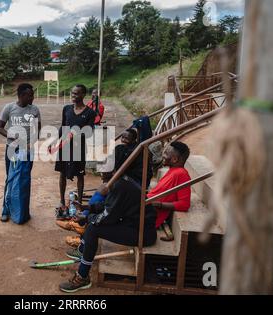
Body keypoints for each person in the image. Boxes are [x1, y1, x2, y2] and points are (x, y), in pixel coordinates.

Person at [58, 153, 157, 293]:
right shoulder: (119, 181)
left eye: (103, 169)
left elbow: (107, 217)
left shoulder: (120, 186)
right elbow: (108, 205)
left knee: (93, 228)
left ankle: (82, 277)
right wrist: (86, 208)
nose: (100, 173)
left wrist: (86, 218)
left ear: (114, 170)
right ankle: (82, 251)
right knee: (93, 223)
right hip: (133, 225)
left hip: (142, 233)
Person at [0, 83, 41, 224]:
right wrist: (12, 135)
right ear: (21, 95)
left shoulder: (34, 110)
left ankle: (23, 212)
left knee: (24, 180)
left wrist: (30, 143)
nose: (32, 97)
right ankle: (6, 210)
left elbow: (37, 131)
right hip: (12, 150)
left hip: (27, 151)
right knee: (10, 179)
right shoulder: (9, 108)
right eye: (30, 94)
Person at [55, 85, 96, 212]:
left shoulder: (90, 113)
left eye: (76, 94)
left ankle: (79, 202)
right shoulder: (66, 109)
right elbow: (63, 126)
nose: (73, 96)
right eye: (72, 93)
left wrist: (76, 133)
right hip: (65, 146)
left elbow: (89, 132)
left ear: (83, 94)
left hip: (79, 148)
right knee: (62, 173)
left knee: (80, 175)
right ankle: (62, 201)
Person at [147, 141, 192, 229]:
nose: (163, 156)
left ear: (174, 159)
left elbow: (184, 204)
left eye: (166, 153)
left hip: (149, 215)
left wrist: (159, 205)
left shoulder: (182, 174)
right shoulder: (173, 170)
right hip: (146, 206)